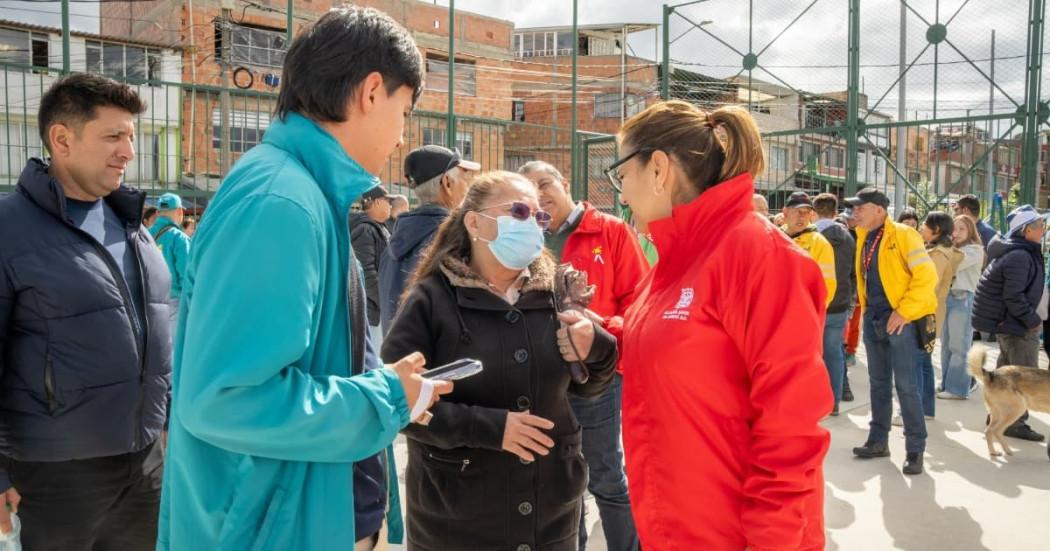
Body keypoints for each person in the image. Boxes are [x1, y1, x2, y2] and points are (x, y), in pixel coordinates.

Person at [157, 8, 452, 550]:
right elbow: (227, 397)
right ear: (371, 92)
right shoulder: (280, 201)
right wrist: (385, 396)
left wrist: (380, 382)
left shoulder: (302, 191)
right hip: (266, 528)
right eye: (405, 111)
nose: (401, 134)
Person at [611, 100, 831, 549]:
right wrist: (602, 339)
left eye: (622, 173)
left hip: (733, 535)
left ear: (659, 168)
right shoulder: (677, 256)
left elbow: (791, 427)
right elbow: (674, 350)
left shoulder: (758, 256)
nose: (622, 193)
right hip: (676, 526)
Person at [382, 171, 619, 550]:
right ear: (474, 223)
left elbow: (591, 387)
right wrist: (489, 428)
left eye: (540, 217)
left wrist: (598, 348)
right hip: (458, 520)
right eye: (519, 212)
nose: (533, 224)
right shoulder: (431, 300)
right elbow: (397, 401)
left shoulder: (555, 292)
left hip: (548, 519)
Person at [0, 73, 172, 550]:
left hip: (144, 462)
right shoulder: (9, 230)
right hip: (52, 473)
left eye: (131, 136)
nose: (129, 152)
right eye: (114, 136)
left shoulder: (132, 226)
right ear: (62, 140)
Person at [520, 160, 648, 551]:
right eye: (529, 190)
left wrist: (600, 331)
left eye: (545, 183)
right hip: (544, 381)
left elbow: (641, 301)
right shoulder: (526, 238)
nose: (540, 195)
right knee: (560, 479)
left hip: (598, 378)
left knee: (606, 476)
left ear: (565, 181)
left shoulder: (610, 230)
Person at [848, 187, 936, 476]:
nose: (855, 212)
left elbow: (926, 277)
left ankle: (915, 449)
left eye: (860, 207)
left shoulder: (904, 235)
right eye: (854, 208)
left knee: (906, 386)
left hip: (901, 322)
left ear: (879, 210)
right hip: (875, 319)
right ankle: (878, 441)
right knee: (878, 384)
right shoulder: (863, 236)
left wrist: (904, 312)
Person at [378, 144, 479, 333]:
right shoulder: (452, 239)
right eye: (464, 179)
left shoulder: (394, 240)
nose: (468, 187)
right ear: (447, 183)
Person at [971, 205, 1047, 443]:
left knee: (1006, 373)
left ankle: (998, 418)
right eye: (1040, 226)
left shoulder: (1019, 251)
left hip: (1011, 323)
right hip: (1017, 325)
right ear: (1026, 230)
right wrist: (1032, 320)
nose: (1044, 229)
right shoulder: (1020, 256)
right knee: (1024, 376)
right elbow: (1013, 296)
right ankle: (1015, 423)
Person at [913, 212, 962, 420]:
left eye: (925, 225)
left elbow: (928, 286)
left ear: (937, 230)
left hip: (925, 312)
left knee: (918, 362)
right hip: (931, 311)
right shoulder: (939, 251)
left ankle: (918, 410)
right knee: (923, 361)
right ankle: (925, 410)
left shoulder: (938, 255)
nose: (921, 228)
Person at [814, 192, 856, 415]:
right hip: (840, 302)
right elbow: (853, 272)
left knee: (813, 354)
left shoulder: (812, 236)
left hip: (817, 302)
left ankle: (816, 400)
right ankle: (835, 401)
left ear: (814, 211)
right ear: (835, 211)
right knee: (835, 353)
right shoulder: (848, 237)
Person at [938, 215, 984, 399]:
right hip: (947, 297)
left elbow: (952, 264)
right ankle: (946, 384)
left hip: (962, 298)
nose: (956, 233)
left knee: (959, 346)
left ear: (970, 231)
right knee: (946, 345)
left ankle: (957, 389)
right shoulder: (950, 248)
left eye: (961, 229)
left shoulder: (975, 250)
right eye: (953, 229)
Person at [351, 184, 392, 345]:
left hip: (376, 310)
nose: (390, 206)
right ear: (376, 202)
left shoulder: (378, 227)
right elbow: (365, 273)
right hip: (370, 312)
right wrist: (384, 299)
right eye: (388, 201)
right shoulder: (365, 230)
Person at [151, 192, 192, 322]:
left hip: (148, 301)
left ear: (158, 212)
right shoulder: (180, 238)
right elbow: (186, 277)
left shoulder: (143, 234)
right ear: (179, 211)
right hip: (174, 303)